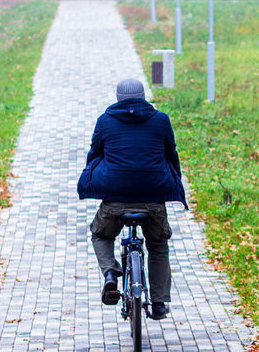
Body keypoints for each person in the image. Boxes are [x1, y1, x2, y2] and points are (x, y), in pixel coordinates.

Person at [77, 77, 186, 320]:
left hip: (116, 199)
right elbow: (171, 153)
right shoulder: (161, 120)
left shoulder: (105, 121)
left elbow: (95, 153)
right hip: (153, 197)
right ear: (143, 95)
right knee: (157, 244)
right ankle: (159, 302)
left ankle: (110, 274)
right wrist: (176, 184)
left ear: (118, 98)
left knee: (101, 234)